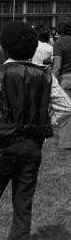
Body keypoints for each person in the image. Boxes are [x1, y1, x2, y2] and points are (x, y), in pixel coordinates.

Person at [0, 21, 71, 240]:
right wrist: (48, 122)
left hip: (3, 146)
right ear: (34, 48)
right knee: (23, 205)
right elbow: (66, 106)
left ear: (3, 48)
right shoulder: (45, 75)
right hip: (33, 146)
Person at [51, 17, 71, 150]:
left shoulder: (59, 43)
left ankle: (66, 142)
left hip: (66, 79)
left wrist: (51, 80)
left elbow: (57, 66)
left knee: (66, 111)